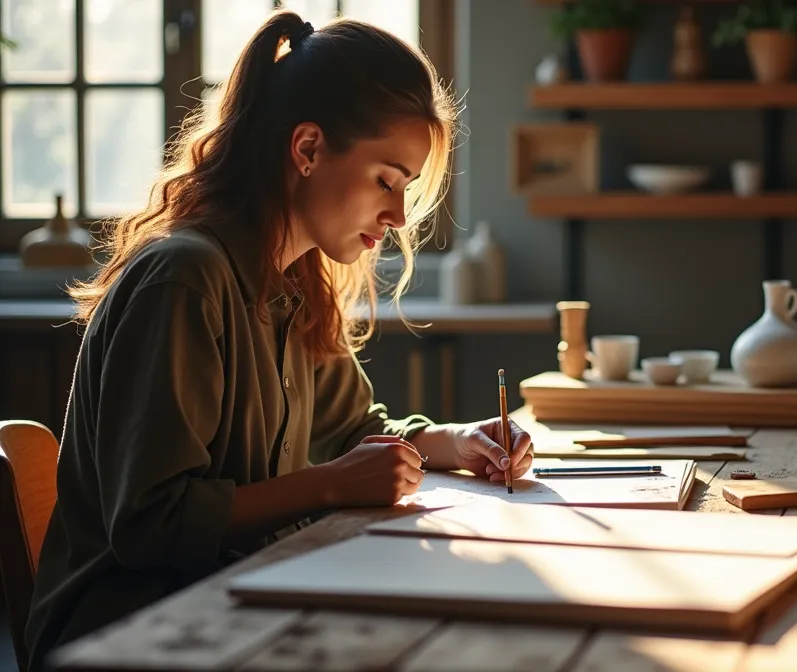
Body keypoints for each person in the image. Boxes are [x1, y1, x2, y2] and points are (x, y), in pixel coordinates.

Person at [24, 11, 534, 670]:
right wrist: (329, 487)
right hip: (132, 631)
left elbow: (353, 429)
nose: (398, 215)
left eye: (406, 188)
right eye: (387, 179)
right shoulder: (185, 278)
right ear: (308, 149)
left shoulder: (298, 286)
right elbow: (151, 525)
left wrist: (454, 441)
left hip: (240, 597)